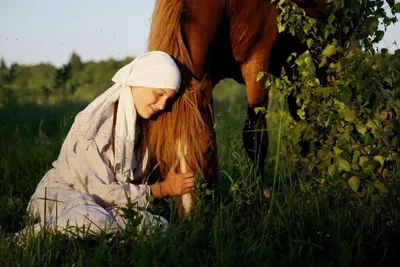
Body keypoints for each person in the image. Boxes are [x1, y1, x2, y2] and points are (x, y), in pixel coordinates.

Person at [21, 51, 195, 238]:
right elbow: (100, 190)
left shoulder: (137, 127)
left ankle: (98, 236)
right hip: (63, 196)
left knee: (159, 226)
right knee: (93, 219)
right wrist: (162, 189)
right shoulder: (95, 124)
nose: (162, 105)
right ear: (138, 82)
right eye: (159, 94)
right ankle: (18, 241)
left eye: (167, 100)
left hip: (102, 206)